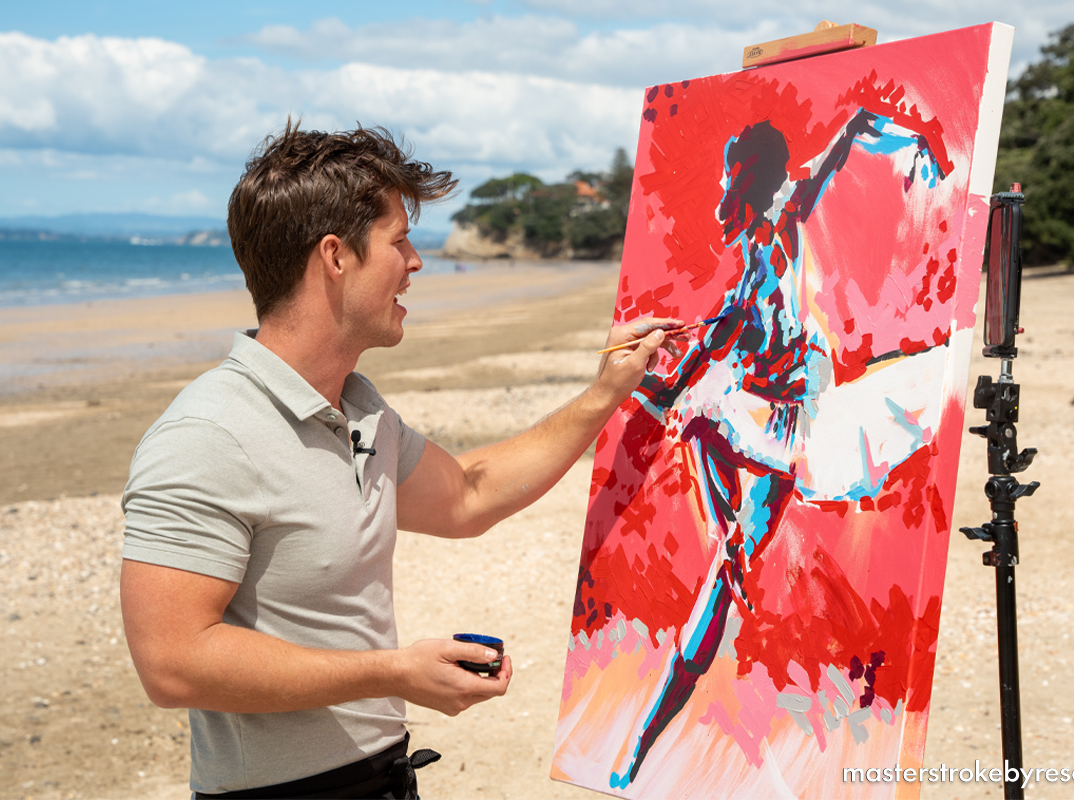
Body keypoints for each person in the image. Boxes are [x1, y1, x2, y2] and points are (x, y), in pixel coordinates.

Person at [119, 122, 676, 799]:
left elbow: (468, 494)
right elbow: (173, 664)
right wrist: (392, 672)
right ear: (335, 257)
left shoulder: (358, 409)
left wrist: (605, 393)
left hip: (386, 777)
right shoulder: (208, 433)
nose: (415, 262)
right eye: (399, 241)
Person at [612, 109, 953, 788]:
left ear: (752, 179)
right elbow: (715, 351)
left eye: (730, 178)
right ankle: (638, 753)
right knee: (700, 432)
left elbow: (850, 132)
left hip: (793, 420)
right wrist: (666, 375)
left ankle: (638, 751)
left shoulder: (787, 214)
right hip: (749, 405)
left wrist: (917, 144)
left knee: (719, 579)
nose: (721, 192)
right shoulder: (747, 261)